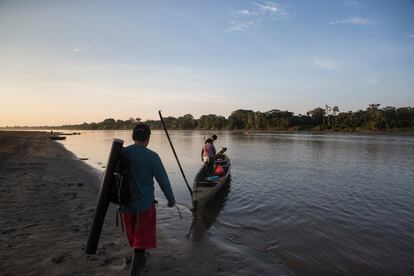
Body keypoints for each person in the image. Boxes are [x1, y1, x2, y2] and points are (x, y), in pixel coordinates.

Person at [121, 123, 176, 276]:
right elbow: (163, 180)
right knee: (141, 241)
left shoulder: (123, 153)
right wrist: (171, 199)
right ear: (148, 137)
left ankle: (141, 262)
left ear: (133, 137)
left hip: (125, 206)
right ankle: (135, 272)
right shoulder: (152, 156)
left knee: (136, 238)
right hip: (144, 206)